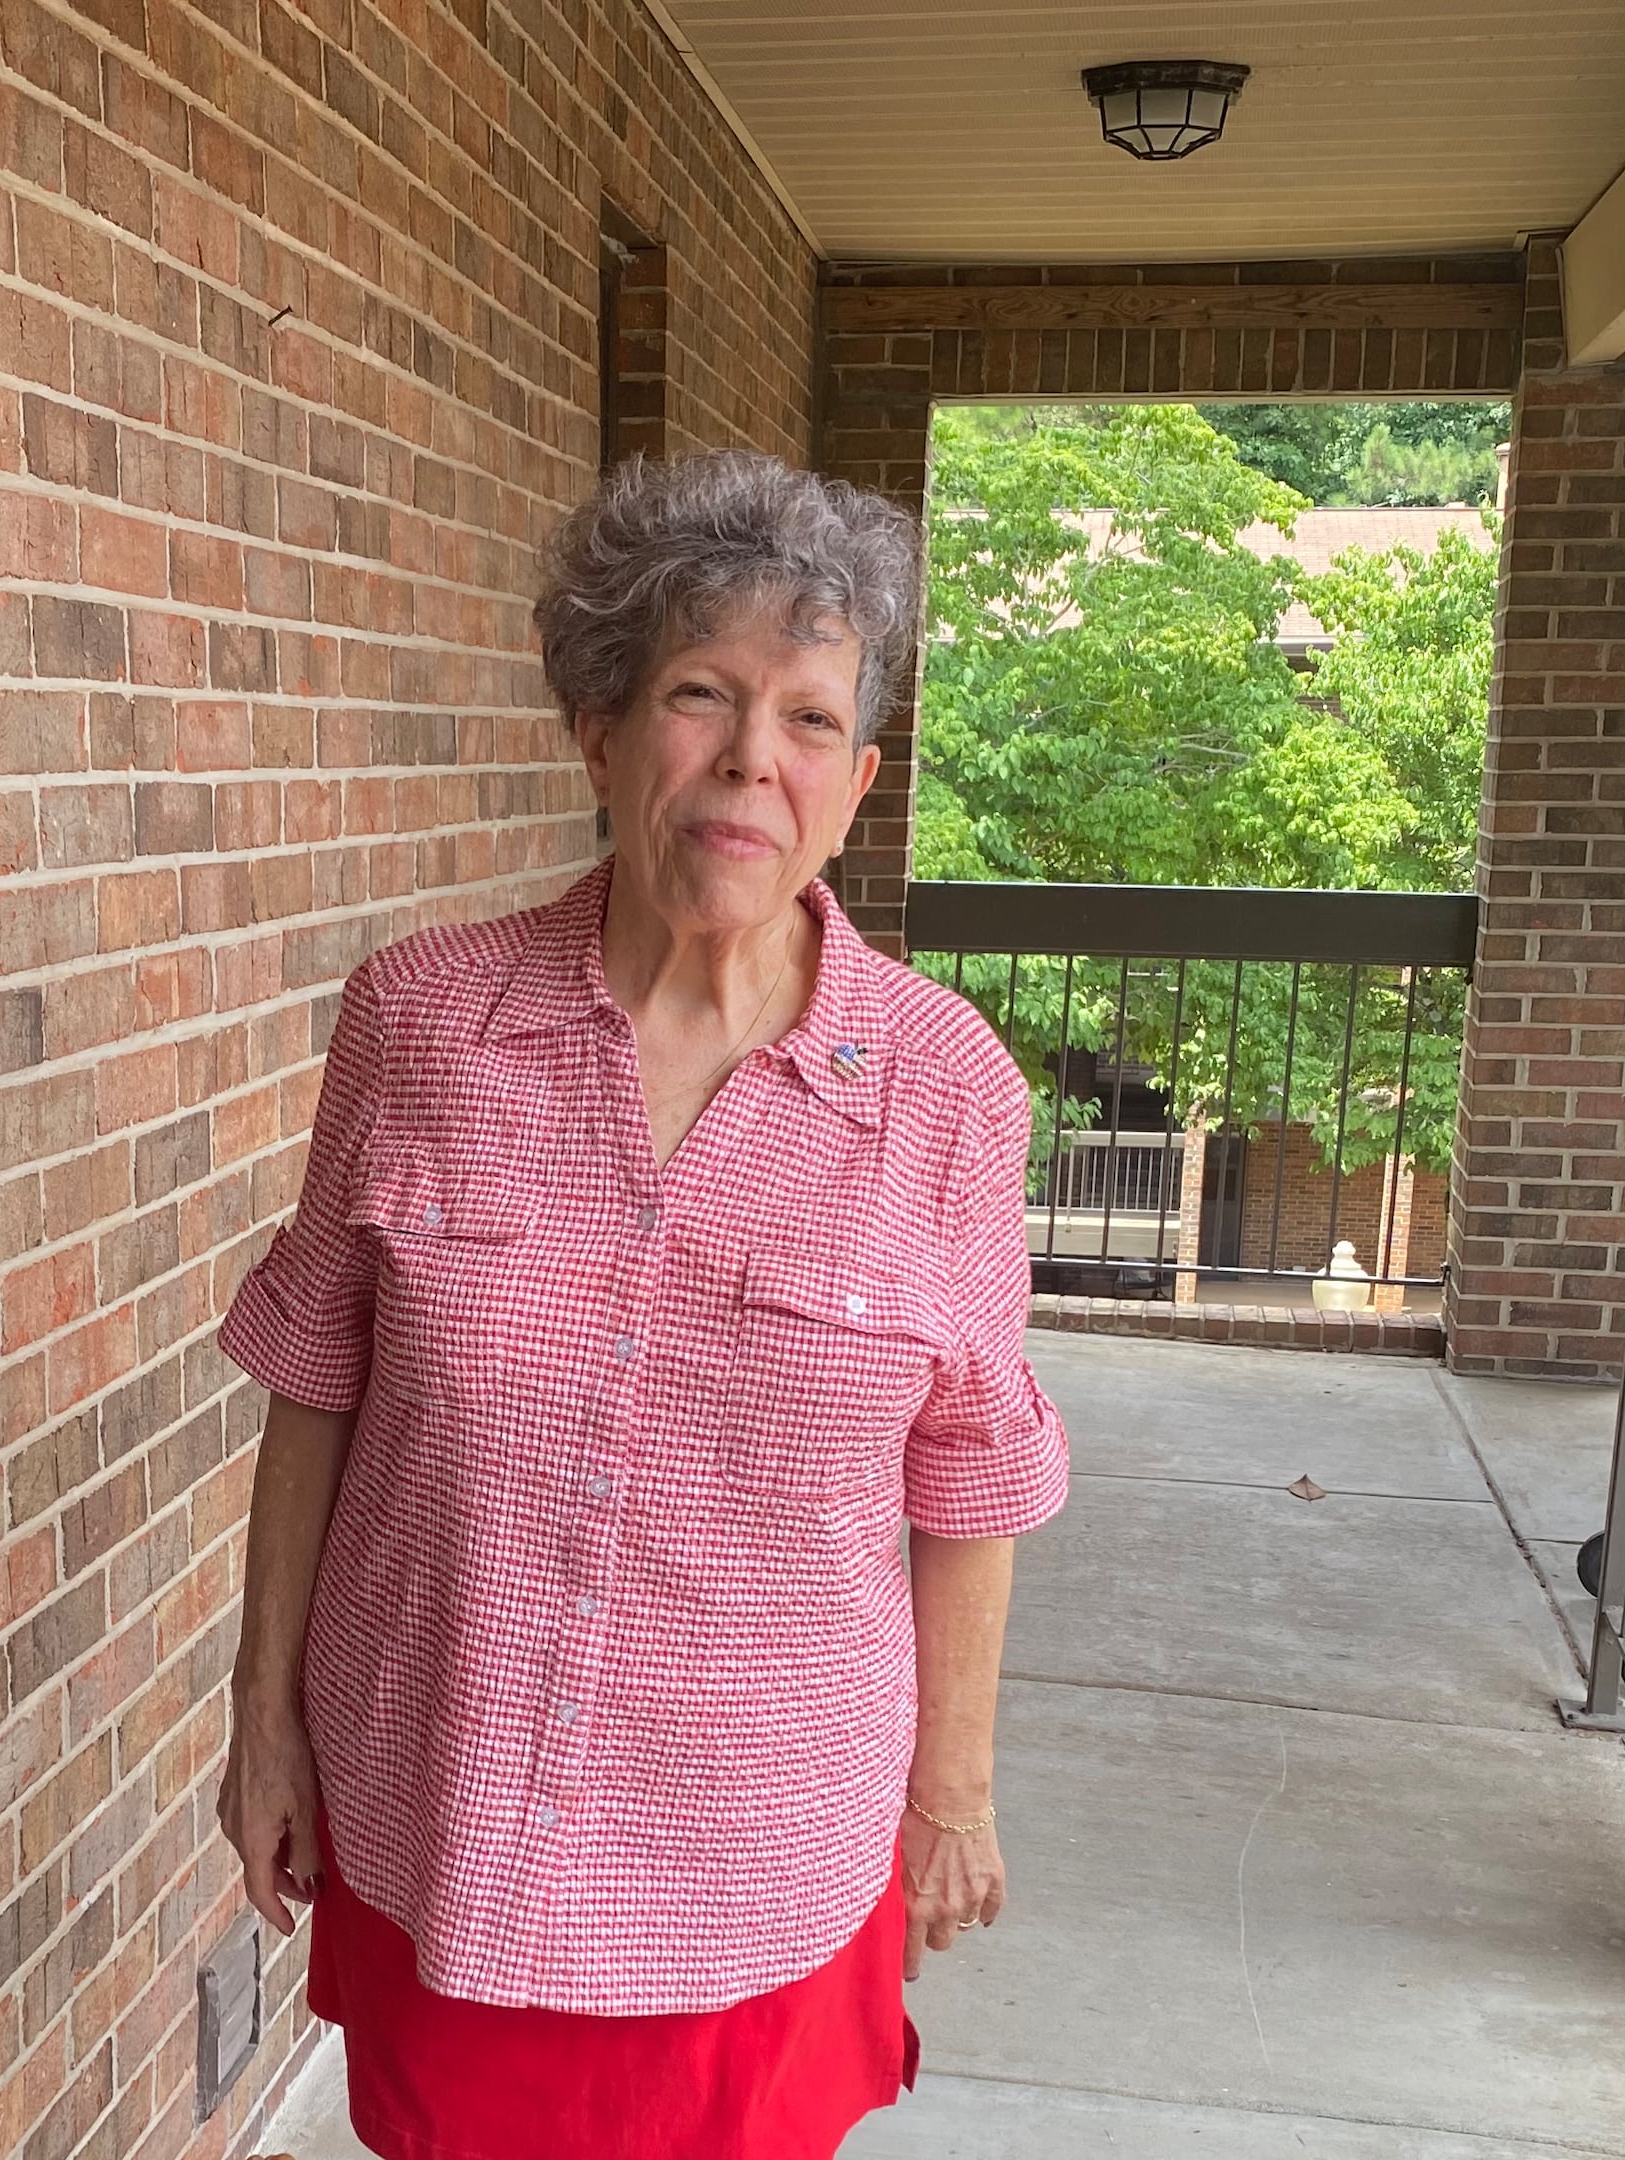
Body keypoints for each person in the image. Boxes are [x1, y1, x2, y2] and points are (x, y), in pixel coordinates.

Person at [213, 449, 1070, 2160]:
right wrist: (264, 1718)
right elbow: (314, 1376)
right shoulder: (422, 1023)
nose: (754, 756)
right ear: (600, 728)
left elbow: (971, 1468)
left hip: (762, 1853)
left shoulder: (947, 1089)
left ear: (857, 782)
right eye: (702, 694)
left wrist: (953, 1790)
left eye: (811, 720)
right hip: (443, 1804)